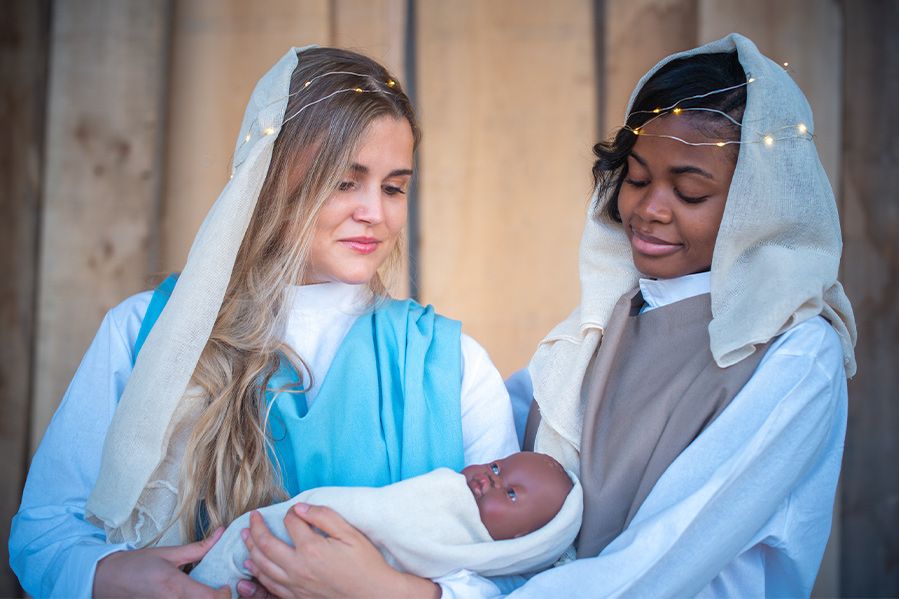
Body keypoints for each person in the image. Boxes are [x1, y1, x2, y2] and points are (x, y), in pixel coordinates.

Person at [234, 33, 855, 598]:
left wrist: (400, 594)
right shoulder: (604, 326)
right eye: (636, 180)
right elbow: (490, 446)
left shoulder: (796, 354)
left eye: (689, 192)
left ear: (761, 204)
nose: (650, 210)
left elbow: (662, 561)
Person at [9, 46, 518, 598]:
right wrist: (106, 574)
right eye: (344, 182)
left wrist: (385, 591)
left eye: (394, 187)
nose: (375, 211)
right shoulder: (145, 332)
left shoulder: (452, 365)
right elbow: (43, 531)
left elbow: (518, 570)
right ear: (270, 177)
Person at [190, 452, 581, 596]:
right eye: (497, 466)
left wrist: (382, 587)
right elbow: (381, 512)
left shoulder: (476, 570)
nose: (492, 479)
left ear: (519, 540)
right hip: (276, 542)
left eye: (511, 494)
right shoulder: (443, 488)